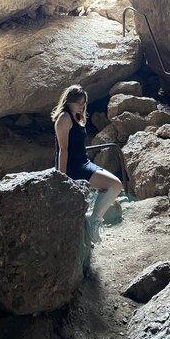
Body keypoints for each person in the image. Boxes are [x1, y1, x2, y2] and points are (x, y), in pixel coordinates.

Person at [52, 84, 122, 243]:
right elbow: (63, 149)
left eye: (83, 102)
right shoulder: (64, 118)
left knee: (116, 185)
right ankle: (93, 220)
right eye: (78, 102)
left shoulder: (77, 116)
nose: (82, 105)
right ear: (69, 101)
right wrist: (62, 178)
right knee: (115, 185)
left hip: (84, 162)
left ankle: (94, 219)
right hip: (74, 167)